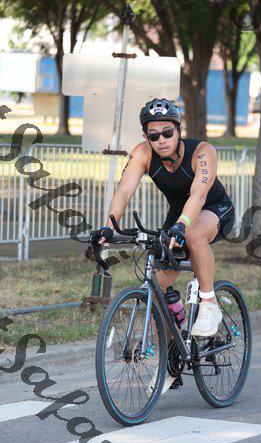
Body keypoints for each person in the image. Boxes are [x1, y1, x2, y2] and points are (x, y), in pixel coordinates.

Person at [89, 97, 235, 337]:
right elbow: (124, 191)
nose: (162, 140)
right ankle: (171, 353)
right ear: (146, 137)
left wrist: (182, 226)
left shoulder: (202, 152)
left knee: (193, 234)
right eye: (154, 136)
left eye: (168, 133)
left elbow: (198, 195)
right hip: (178, 215)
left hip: (214, 208)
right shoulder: (143, 153)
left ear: (179, 130)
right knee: (157, 288)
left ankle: (209, 305)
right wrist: (109, 227)